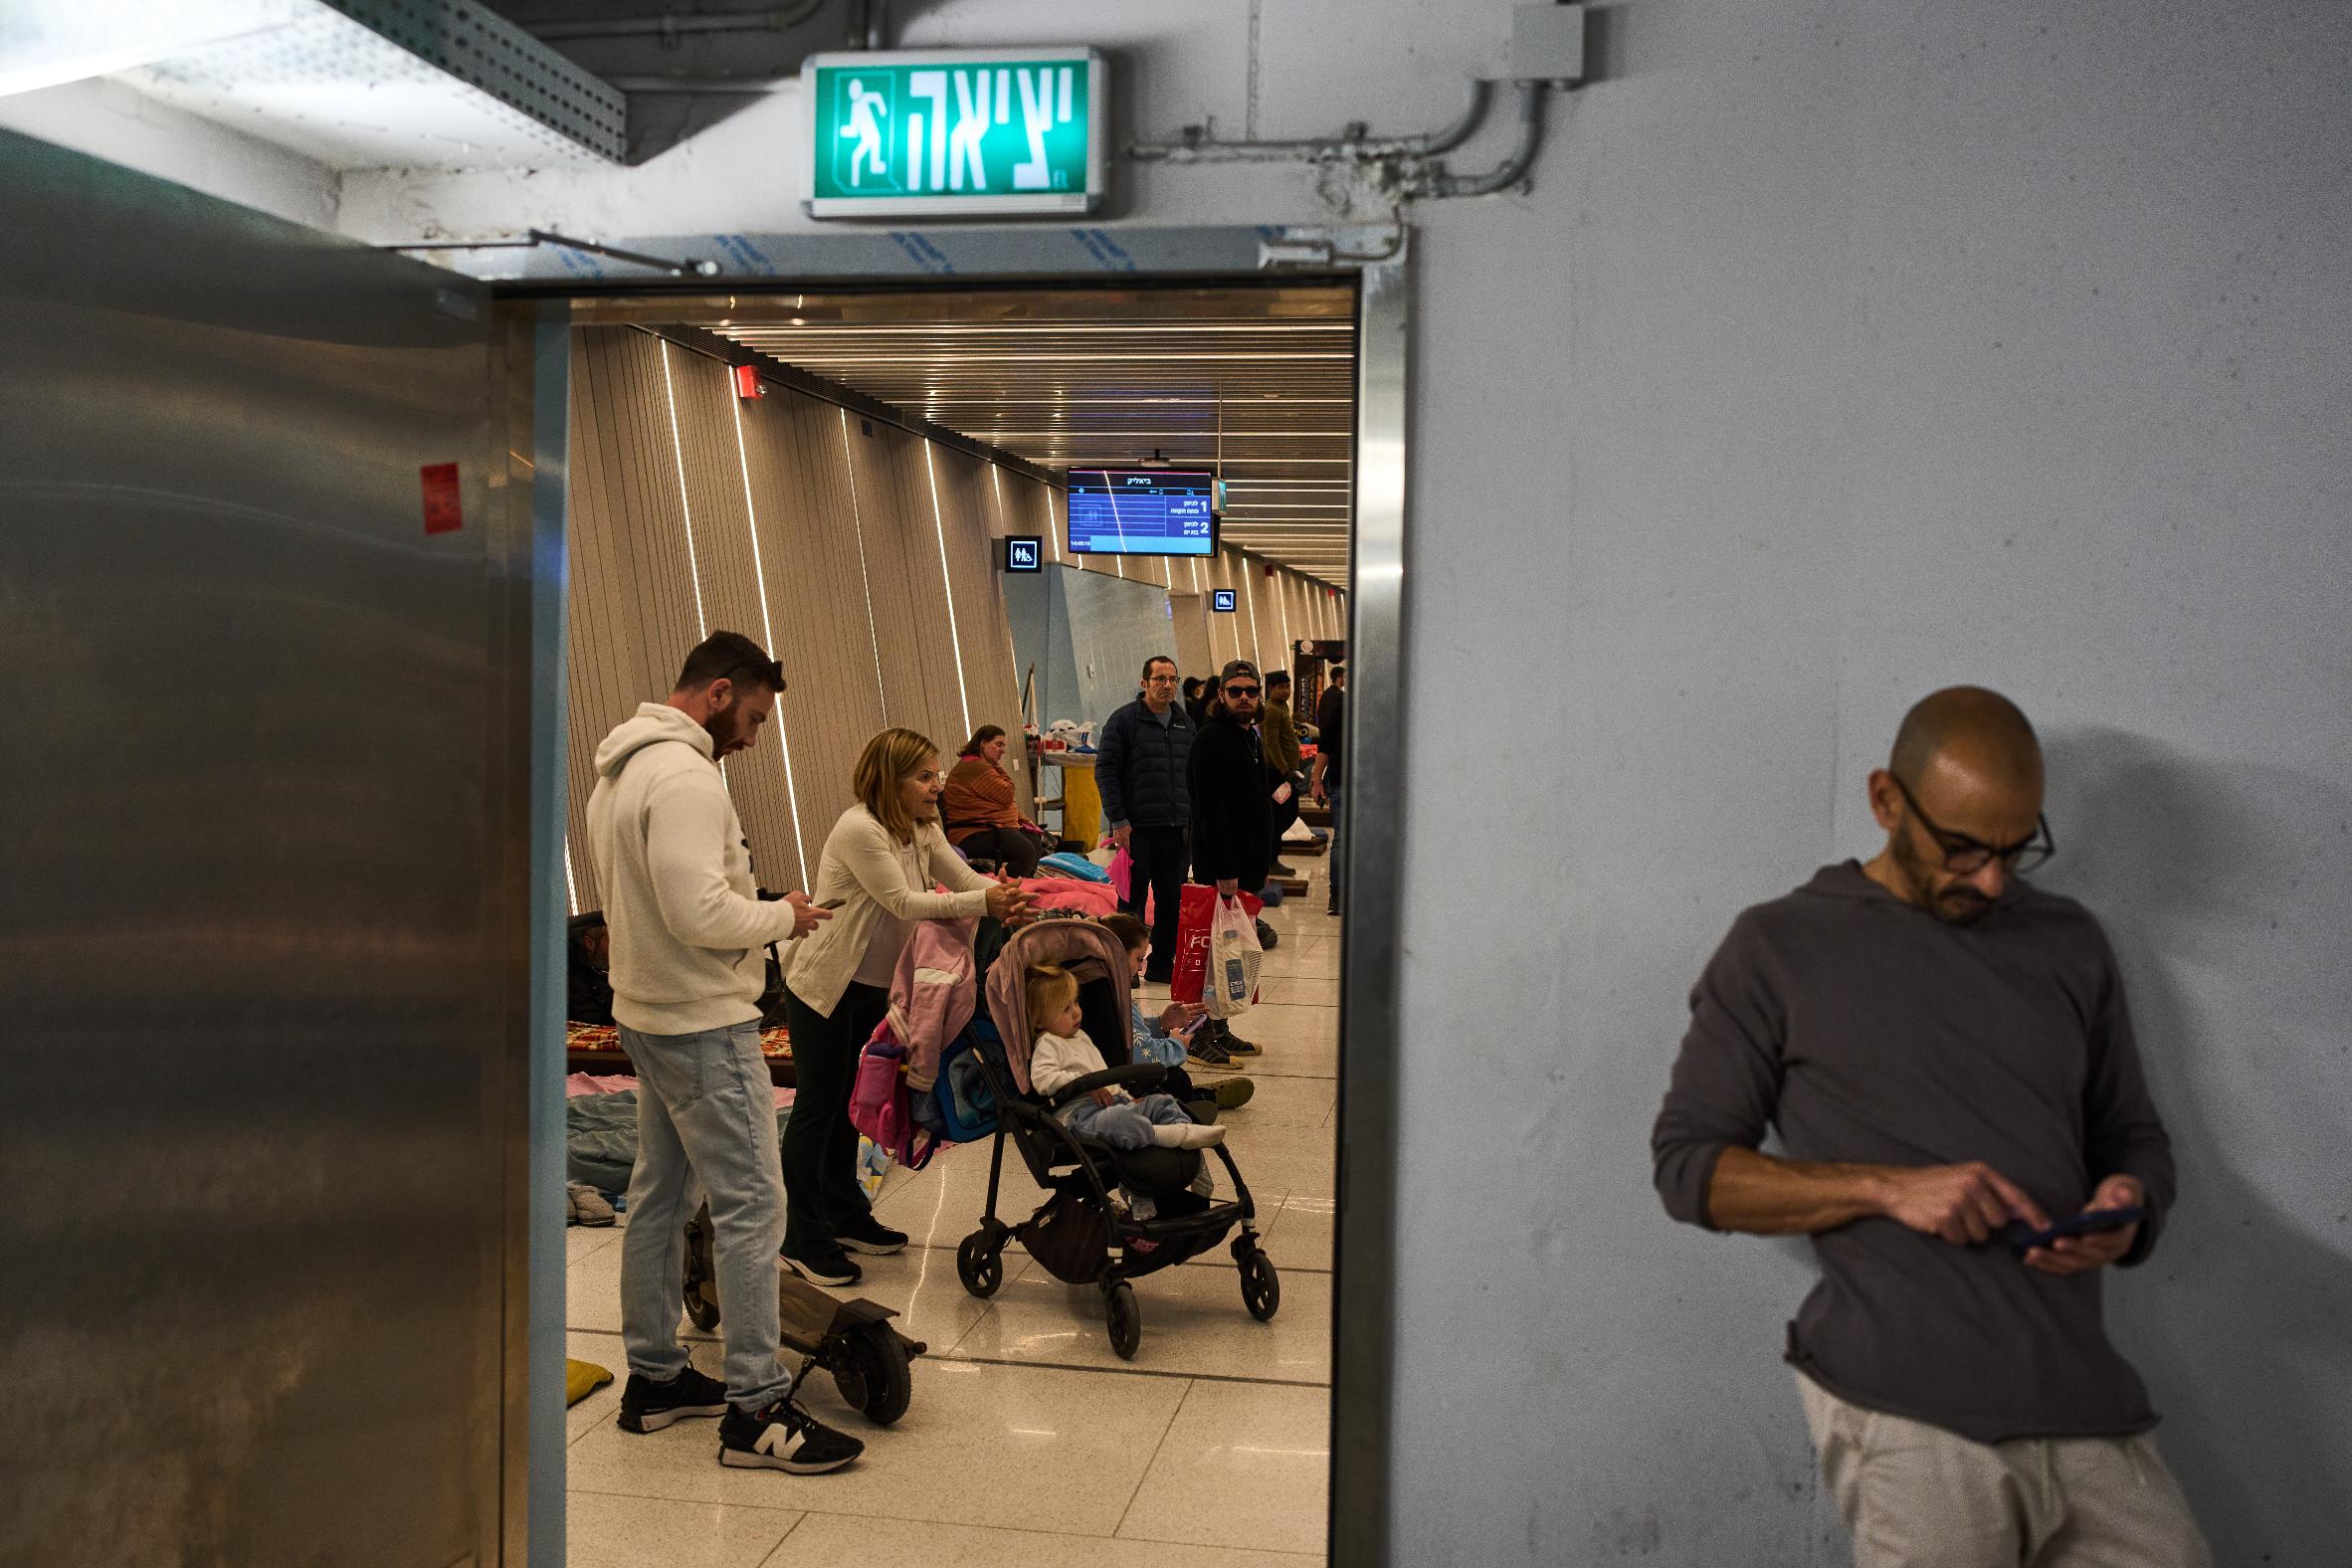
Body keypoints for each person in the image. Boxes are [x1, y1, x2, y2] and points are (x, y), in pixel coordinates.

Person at [1650, 686, 2209, 1567]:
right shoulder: (1780, 946)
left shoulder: (2071, 942)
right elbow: (1689, 1170)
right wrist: (1886, 1187)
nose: (1991, 879)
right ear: (1885, 801)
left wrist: (2130, 1205)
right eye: (1961, 848)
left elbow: (2134, 1134)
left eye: (2016, 850)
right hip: (1908, 1409)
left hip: (2083, 1397)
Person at [583, 630, 863, 1476]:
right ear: (717, 692)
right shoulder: (685, 776)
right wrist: (786, 917)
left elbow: (676, 900)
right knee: (752, 1206)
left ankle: (657, 1379)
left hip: (650, 1014)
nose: (752, 734)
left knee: (659, 1199)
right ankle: (756, 1406)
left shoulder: (621, 771)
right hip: (701, 1024)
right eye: (753, 714)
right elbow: (699, 914)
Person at [784, 726, 1034, 1286]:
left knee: (850, 1101)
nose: (935, 784)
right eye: (923, 776)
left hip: (873, 986)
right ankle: (800, 1235)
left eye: (935, 773)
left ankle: (844, 1214)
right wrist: (982, 900)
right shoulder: (860, 829)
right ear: (889, 780)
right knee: (818, 1106)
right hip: (825, 986)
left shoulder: (923, 826)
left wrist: (1003, 899)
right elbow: (902, 900)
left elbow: (961, 877)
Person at [1026, 962, 1225, 1222]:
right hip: (1080, 1117)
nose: (1076, 1012)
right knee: (1123, 1121)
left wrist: (1128, 1098)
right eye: (1065, 1009)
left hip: (1114, 1103)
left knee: (1162, 1102)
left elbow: (1103, 1074)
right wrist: (1083, 1083)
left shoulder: (1080, 1037)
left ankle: (1190, 1152)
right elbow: (1043, 1079)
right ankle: (1169, 1139)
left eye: (1075, 1003)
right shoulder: (1047, 1044)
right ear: (1039, 1020)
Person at [1187, 659, 1277, 1060]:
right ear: (1220, 694)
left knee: (1233, 955)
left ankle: (1221, 1027)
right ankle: (1201, 1035)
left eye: (1251, 691)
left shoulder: (1249, 737)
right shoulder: (1212, 739)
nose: (1244, 697)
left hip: (1248, 868)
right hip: (1223, 871)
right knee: (1212, 955)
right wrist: (1224, 871)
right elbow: (1210, 811)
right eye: (1236, 691)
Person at [1096, 656, 1197, 984]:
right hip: (1136, 829)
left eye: (1172, 679)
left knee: (1171, 901)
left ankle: (1161, 964)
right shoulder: (1124, 721)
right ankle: (1126, 966)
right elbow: (1107, 771)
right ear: (1145, 684)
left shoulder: (1185, 723)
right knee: (1131, 903)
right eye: (1159, 679)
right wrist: (1118, 819)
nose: (1167, 685)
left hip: (1176, 829)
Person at [1100, 911, 1255, 1117]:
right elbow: (1144, 1056)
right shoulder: (1115, 998)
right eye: (1138, 959)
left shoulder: (1101, 987)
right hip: (1117, 1085)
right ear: (1117, 954)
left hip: (1107, 1076)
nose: (1140, 967)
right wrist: (1177, 1044)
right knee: (1174, 1078)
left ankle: (1194, 1096)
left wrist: (1160, 1024)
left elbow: (1126, 1033)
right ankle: (1199, 1098)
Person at [943, 724, 1047, 878]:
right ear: (983, 743)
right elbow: (1007, 794)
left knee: (1034, 841)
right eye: (998, 744)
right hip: (971, 832)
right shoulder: (975, 767)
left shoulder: (981, 765)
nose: (1003, 750)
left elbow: (1002, 802)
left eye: (1003, 746)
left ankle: (1023, 886)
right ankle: (1002, 891)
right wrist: (998, 766)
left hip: (986, 826)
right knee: (1025, 851)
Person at [1261, 670, 1307, 878]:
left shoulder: (1282, 707)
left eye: (1288, 686)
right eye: (1281, 687)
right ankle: (1271, 860)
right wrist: (1283, 769)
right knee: (1279, 816)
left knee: (1287, 813)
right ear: (1271, 689)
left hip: (1286, 772)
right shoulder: (1271, 710)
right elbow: (1271, 742)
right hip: (1277, 774)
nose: (1286, 691)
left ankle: (1271, 858)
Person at [1311, 665, 1346, 916]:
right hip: (1365, 784)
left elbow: (1325, 743)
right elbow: (1326, 744)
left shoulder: (1343, 705)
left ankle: (1338, 897)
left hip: (1342, 778)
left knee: (1342, 840)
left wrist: (1316, 779)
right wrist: (1316, 779)